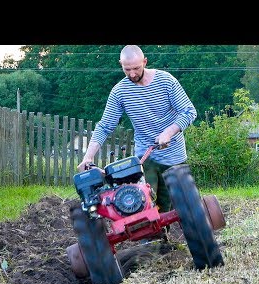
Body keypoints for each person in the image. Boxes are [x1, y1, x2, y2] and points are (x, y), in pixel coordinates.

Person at [77, 45, 197, 216]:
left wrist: (169, 132)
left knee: (168, 207)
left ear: (145, 62)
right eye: (127, 69)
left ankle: (168, 240)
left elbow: (189, 111)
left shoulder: (166, 81)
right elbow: (105, 126)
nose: (132, 74)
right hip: (145, 157)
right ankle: (153, 242)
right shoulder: (120, 91)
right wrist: (88, 156)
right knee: (144, 205)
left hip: (174, 157)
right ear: (121, 65)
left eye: (136, 68)